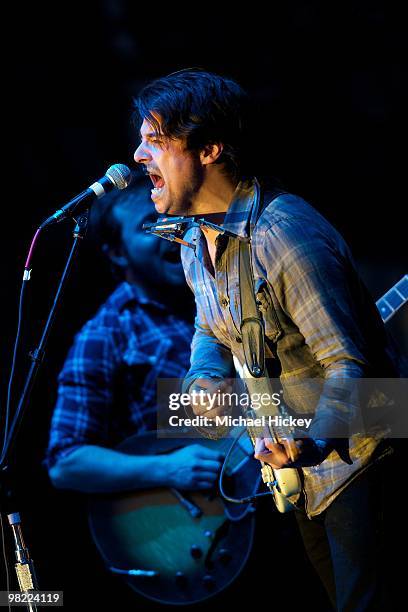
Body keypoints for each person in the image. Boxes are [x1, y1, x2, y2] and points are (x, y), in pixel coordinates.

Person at [133, 69, 400, 610]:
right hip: (303, 464)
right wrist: (204, 377)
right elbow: (212, 325)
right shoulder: (192, 238)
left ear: (210, 149)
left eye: (156, 141)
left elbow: (352, 363)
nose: (139, 156)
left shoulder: (284, 234)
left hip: (366, 453)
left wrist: (311, 440)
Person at [46, 176, 224, 494]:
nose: (170, 230)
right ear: (116, 252)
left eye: (175, 216)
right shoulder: (106, 334)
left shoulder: (222, 291)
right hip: (195, 520)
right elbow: (66, 461)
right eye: (149, 224)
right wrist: (166, 468)